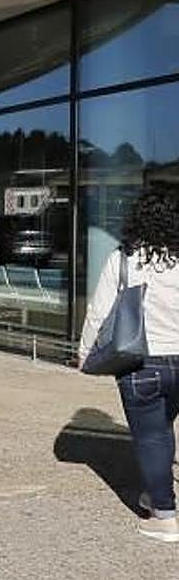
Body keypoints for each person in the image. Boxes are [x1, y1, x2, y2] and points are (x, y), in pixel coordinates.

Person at [80, 183, 179, 543]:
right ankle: (156, 493)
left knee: (151, 435)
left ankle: (164, 516)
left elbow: (99, 312)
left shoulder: (124, 259)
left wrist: (85, 352)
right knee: (164, 428)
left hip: (141, 362)